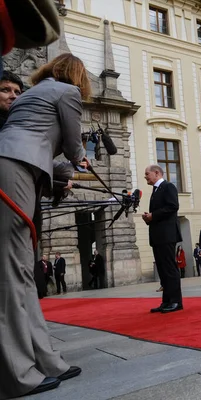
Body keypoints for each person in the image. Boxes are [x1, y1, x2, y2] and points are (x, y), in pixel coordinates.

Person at [0, 53, 89, 398]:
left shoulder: (37, 93)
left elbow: (38, 142)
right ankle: (15, 374)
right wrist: (80, 158)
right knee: (12, 271)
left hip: (17, 166)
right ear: (78, 75)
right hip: (14, 169)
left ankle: (45, 359)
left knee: (22, 270)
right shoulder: (68, 93)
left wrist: (65, 168)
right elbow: (72, 144)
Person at [143, 164, 183, 313]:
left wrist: (154, 215)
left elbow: (173, 206)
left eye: (147, 174)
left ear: (157, 173)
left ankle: (176, 302)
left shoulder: (168, 186)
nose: (145, 177)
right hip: (158, 235)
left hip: (167, 235)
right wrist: (149, 218)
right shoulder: (156, 190)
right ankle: (166, 301)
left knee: (169, 268)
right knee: (162, 269)